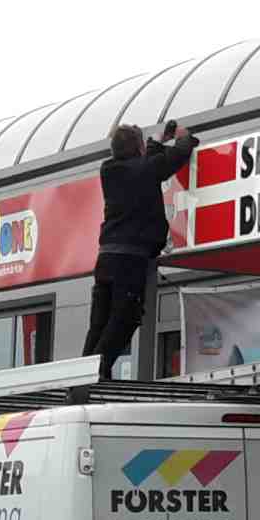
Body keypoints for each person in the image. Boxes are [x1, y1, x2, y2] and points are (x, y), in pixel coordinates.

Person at [83, 120, 197, 380]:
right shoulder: (145, 169)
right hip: (129, 258)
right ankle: (96, 372)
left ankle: (81, 375)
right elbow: (176, 156)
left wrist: (155, 142)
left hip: (106, 257)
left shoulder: (108, 170)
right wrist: (184, 138)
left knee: (100, 322)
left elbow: (149, 164)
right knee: (126, 316)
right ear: (137, 148)